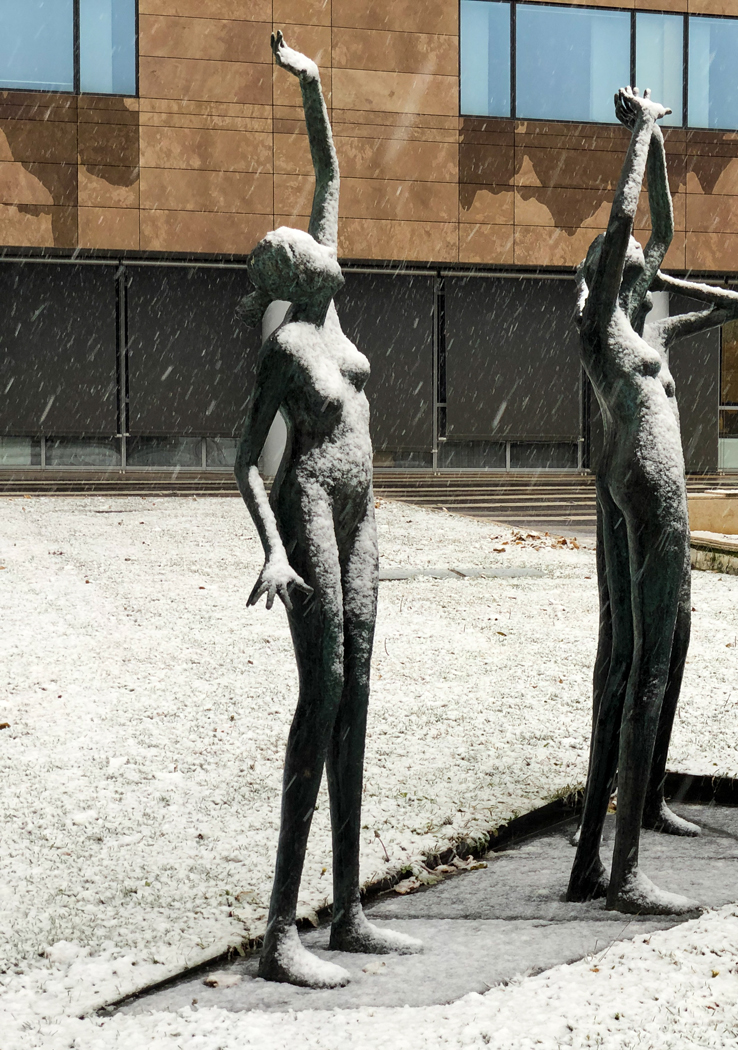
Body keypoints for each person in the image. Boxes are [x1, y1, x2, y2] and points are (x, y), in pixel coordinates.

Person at [234, 31, 421, 987]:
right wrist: (272, 549)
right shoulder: (284, 349)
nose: (319, 245)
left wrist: (311, 84)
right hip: (309, 501)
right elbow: (244, 461)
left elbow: (331, 172)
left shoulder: (333, 318)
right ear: (294, 272)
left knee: (360, 695)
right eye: (304, 247)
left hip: (363, 511)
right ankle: (281, 930)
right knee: (325, 692)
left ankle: (348, 911)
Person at [568, 86, 738, 913]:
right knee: (641, 666)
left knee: (638, 655)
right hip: (650, 488)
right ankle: (626, 871)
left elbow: (670, 238)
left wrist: (662, 148)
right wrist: (640, 135)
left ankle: (593, 859)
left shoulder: (642, 332)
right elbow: (624, 224)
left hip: (636, 484)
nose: (643, 270)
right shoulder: (601, 327)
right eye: (631, 270)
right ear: (609, 277)